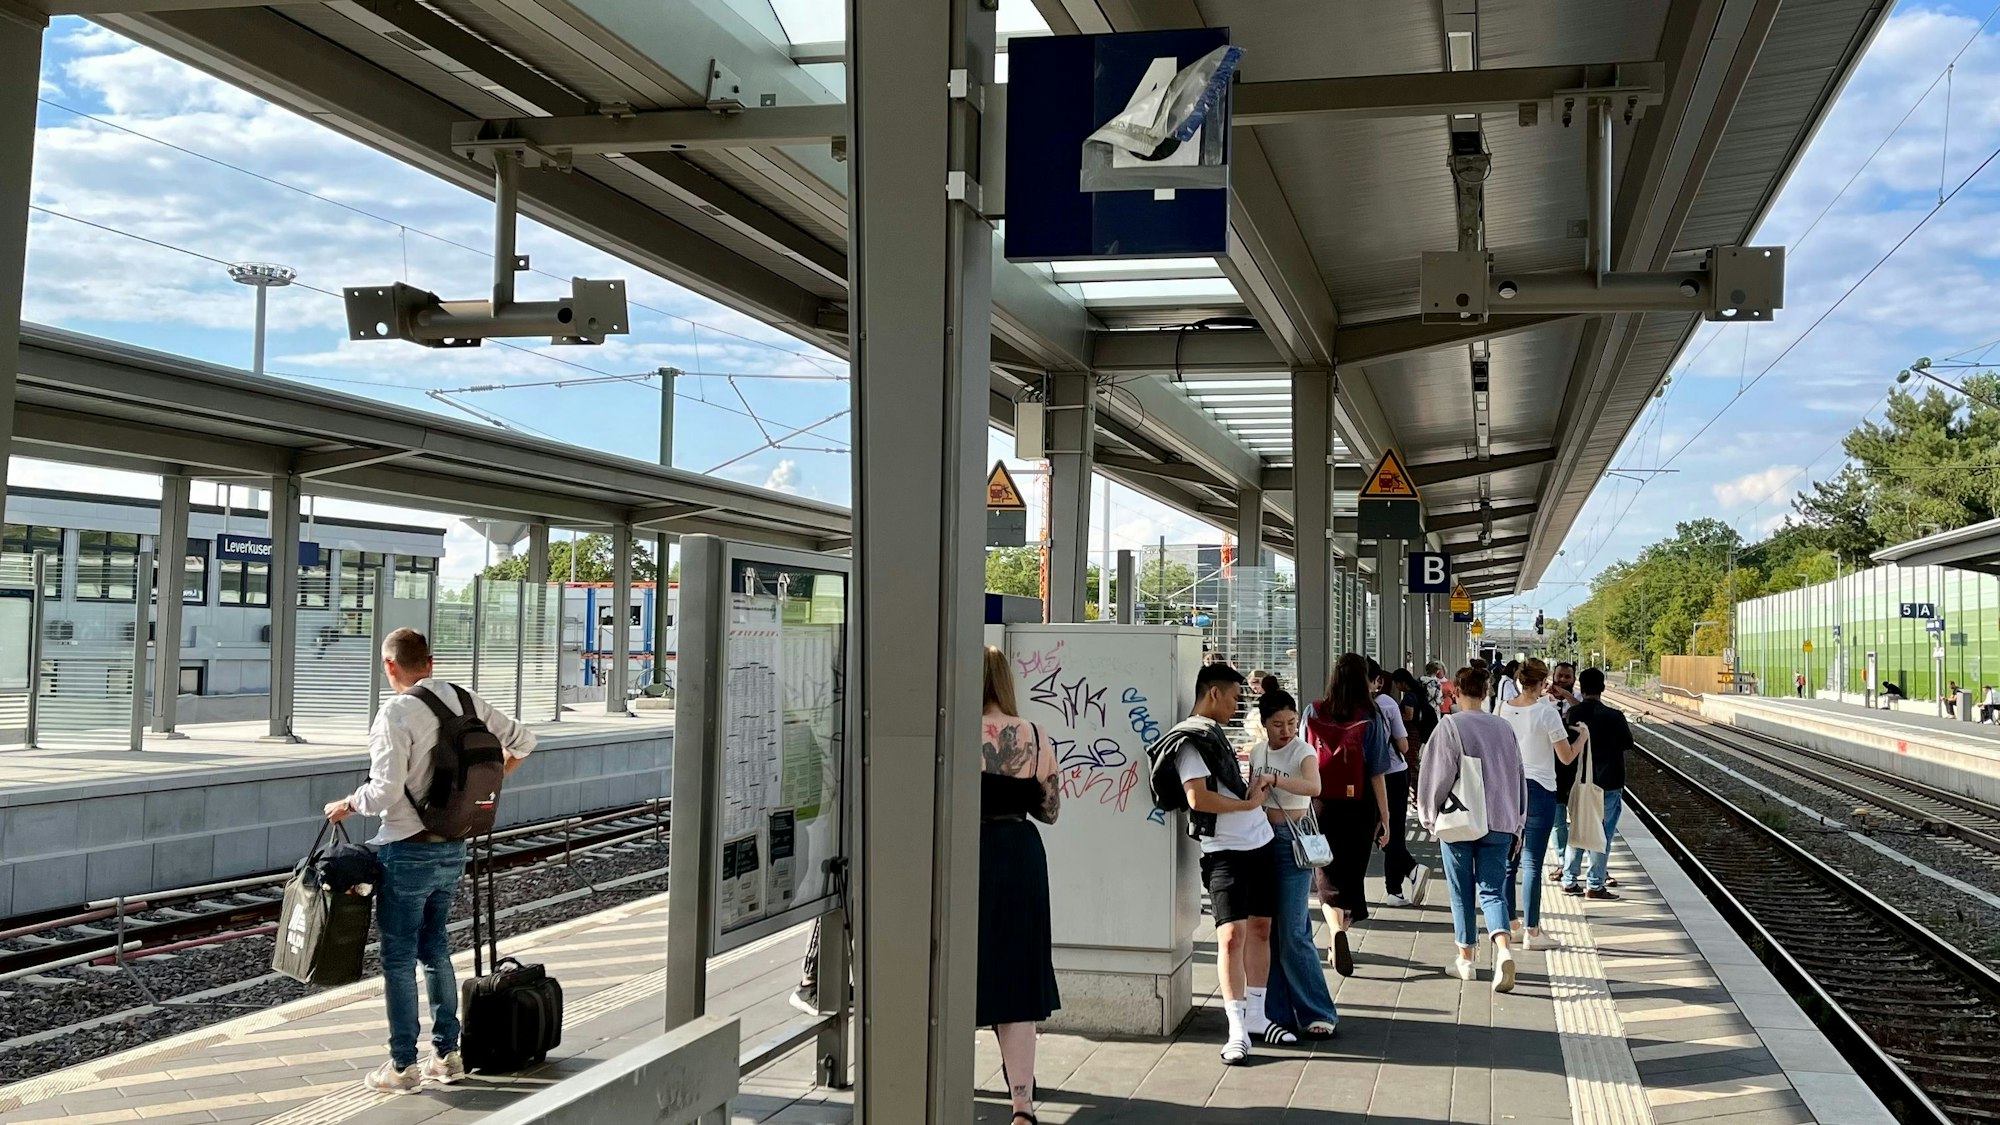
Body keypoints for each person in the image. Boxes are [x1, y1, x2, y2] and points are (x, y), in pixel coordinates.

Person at [323, 628, 536, 1093]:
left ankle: (402, 1067)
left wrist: (346, 804)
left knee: (398, 959)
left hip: (407, 850)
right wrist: (480, 793)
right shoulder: (465, 699)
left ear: (389, 666)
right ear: (431, 662)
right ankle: (448, 1055)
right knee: (435, 948)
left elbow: (383, 794)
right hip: (454, 846)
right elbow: (524, 741)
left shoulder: (395, 713)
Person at [1166, 661, 1285, 1063]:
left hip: (1259, 842)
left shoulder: (1214, 736)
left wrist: (1254, 791)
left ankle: (1256, 1015)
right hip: (1223, 852)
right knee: (1230, 936)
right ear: (1213, 693)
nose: (1237, 705)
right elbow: (1197, 799)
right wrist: (1249, 802)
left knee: (1262, 929)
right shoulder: (1191, 741)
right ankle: (1236, 1027)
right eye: (1235, 697)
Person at [976, 646, 1062, 1123]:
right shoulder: (1033, 735)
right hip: (1018, 853)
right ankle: (1023, 1107)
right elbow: (1050, 810)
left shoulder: (948, 728)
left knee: (962, 967)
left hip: (963, 856)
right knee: (1016, 975)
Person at [1417, 665, 1527, 990]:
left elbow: (1436, 776)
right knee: (1493, 891)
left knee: (1461, 892)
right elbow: (1517, 777)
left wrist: (1429, 817)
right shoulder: (1504, 728)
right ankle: (1504, 949)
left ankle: (1465, 960)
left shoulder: (1449, 726)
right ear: (1487, 692)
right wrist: (1517, 824)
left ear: (1456, 692)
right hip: (1501, 821)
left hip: (1459, 823)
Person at [1248, 687, 1339, 1039]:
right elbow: (1252, 792)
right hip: (1260, 838)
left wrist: (1275, 779)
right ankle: (1277, 1012)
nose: (1285, 730)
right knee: (1265, 929)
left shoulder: (1303, 751)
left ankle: (1318, 1011)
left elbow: (1314, 787)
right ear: (1264, 724)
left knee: (1293, 930)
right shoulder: (1257, 751)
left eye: (1290, 722)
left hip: (1292, 840)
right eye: (1277, 724)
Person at [1303, 654, 1395, 977]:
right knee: (1351, 879)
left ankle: (1334, 934)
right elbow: (1377, 771)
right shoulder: (1371, 715)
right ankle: (1340, 933)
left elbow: (1302, 754)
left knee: (1326, 877)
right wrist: (1385, 816)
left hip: (1320, 804)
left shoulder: (1313, 711)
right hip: (1358, 807)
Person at [1497, 658, 1584, 951]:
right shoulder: (1547, 713)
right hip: (1540, 789)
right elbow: (1566, 757)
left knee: (1509, 860)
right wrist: (1582, 737)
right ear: (1542, 681)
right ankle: (1533, 931)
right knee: (1533, 861)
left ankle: (1511, 925)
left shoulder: (1502, 709)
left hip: (1509, 790)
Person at [1560, 668, 1632, 899]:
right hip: (1609, 782)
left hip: (1580, 782)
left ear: (1581, 686)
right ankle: (1595, 884)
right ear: (1602, 688)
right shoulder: (1615, 716)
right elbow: (1627, 744)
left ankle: (1569, 880)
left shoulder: (1572, 715)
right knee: (1602, 835)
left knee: (1578, 828)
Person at [1368, 661, 1423, 909]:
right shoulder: (1387, 703)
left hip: (1364, 776)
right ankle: (1400, 882)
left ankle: (1405, 877)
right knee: (1393, 829)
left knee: (1377, 827)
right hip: (1392, 773)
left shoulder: (1351, 705)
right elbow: (1402, 745)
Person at [1389, 668, 1436, 906]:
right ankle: (1394, 888)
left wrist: (1394, 715)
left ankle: (1409, 872)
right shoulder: (1418, 693)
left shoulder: (1407, 698)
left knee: (1411, 770)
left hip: (1409, 737)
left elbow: (1408, 716)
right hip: (1413, 738)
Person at [1546, 661, 1579, 884]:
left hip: (1577, 770)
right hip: (1552, 770)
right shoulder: (1543, 702)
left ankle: (1574, 864)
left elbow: (1583, 711)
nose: (1563, 680)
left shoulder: (1578, 702)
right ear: (1553, 676)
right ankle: (1562, 862)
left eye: (1568, 677)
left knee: (1579, 820)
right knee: (1558, 822)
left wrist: (1567, 696)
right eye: (1560, 676)